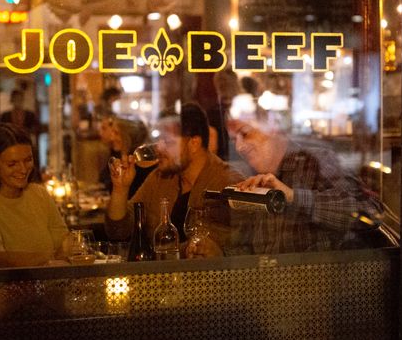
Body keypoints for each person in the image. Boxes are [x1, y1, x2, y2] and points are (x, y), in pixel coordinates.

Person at [223, 118, 385, 255]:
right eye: (233, 139)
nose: (239, 147)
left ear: (271, 126)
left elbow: (370, 213)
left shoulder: (317, 162)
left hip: (320, 285)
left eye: (245, 133)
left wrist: (293, 197)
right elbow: (253, 249)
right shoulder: (254, 177)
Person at [104, 103, 244, 248]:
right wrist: (120, 189)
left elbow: (218, 248)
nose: (159, 147)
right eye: (158, 139)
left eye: (168, 141)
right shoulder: (160, 177)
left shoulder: (227, 184)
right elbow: (118, 231)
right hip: (159, 270)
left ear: (194, 143)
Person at [0, 123, 70, 267]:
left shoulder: (38, 193)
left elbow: (64, 240)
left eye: (28, 160)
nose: (23, 169)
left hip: (51, 284)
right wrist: (49, 259)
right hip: (10, 288)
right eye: (12, 164)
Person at [103, 115, 156, 197]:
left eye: (116, 133)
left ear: (128, 135)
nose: (111, 138)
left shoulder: (138, 162)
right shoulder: (118, 155)